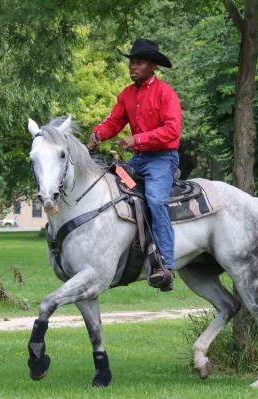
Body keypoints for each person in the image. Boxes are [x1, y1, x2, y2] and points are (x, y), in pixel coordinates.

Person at [87, 38, 181, 291]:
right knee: (109, 183)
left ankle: (165, 265)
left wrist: (136, 138)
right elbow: (114, 121)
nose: (133, 66)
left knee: (156, 200)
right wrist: (98, 134)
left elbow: (172, 131)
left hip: (162, 159)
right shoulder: (127, 94)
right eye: (131, 62)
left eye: (139, 62)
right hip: (137, 161)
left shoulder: (165, 93)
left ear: (152, 66)